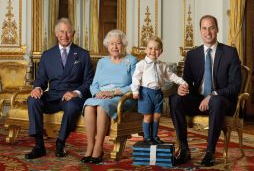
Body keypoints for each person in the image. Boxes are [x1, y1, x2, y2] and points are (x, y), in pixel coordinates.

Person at [169, 15, 242, 166]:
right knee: (175, 99)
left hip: (223, 101)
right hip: (199, 100)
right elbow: (187, 82)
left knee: (215, 101)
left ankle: (210, 152)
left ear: (217, 29)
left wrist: (213, 94)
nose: (208, 32)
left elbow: (235, 85)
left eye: (211, 28)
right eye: (204, 28)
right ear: (200, 31)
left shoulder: (230, 53)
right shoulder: (192, 55)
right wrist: (182, 88)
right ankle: (184, 149)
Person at [25, 18, 94, 159]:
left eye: (68, 32)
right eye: (61, 31)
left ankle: (60, 143)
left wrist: (75, 93)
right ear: (56, 33)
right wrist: (37, 88)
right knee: (32, 100)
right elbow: (41, 79)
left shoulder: (83, 54)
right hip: (53, 95)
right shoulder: (47, 55)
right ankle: (39, 145)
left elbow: (89, 81)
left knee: (71, 106)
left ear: (73, 33)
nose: (65, 35)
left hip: (72, 96)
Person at [80, 29, 138, 164]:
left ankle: (98, 147)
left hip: (122, 98)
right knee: (88, 105)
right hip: (101, 96)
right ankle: (90, 146)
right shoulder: (102, 62)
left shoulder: (131, 60)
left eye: (118, 43)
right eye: (111, 44)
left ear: (123, 45)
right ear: (107, 45)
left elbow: (135, 85)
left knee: (101, 107)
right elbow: (93, 85)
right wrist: (97, 93)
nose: (115, 47)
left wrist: (113, 93)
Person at [131, 36, 188, 145]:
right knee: (148, 116)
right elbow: (136, 78)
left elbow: (171, 76)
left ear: (161, 51)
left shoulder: (162, 65)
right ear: (146, 50)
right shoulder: (141, 64)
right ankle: (147, 137)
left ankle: (154, 136)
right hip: (145, 93)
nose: (153, 51)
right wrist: (135, 91)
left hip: (158, 93)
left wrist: (182, 82)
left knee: (157, 116)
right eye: (150, 48)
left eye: (156, 49)